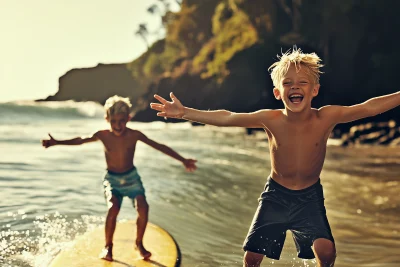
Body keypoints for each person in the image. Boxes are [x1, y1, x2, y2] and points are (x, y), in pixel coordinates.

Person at [150, 48, 400, 267]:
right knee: (252, 257)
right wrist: (184, 113)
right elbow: (227, 117)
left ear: (315, 90)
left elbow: (368, 107)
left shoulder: (326, 117)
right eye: (288, 83)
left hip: (309, 196)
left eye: (302, 83)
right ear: (278, 93)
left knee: (326, 250)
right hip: (276, 195)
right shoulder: (271, 119)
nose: (295, 87)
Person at [42, 95, 197, 262]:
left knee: (143, 207)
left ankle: (139, 243)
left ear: (128, 118)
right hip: (113, 180)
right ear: (107, 119)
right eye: (113, 121)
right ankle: (108, 246)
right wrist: (57, 142)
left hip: (132, 178)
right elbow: (80, 140)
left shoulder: (134, 135)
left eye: (121, 121)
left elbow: (159, 146)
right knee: (113, 208)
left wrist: (183, 160)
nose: (117, 125)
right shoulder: (102, 135)